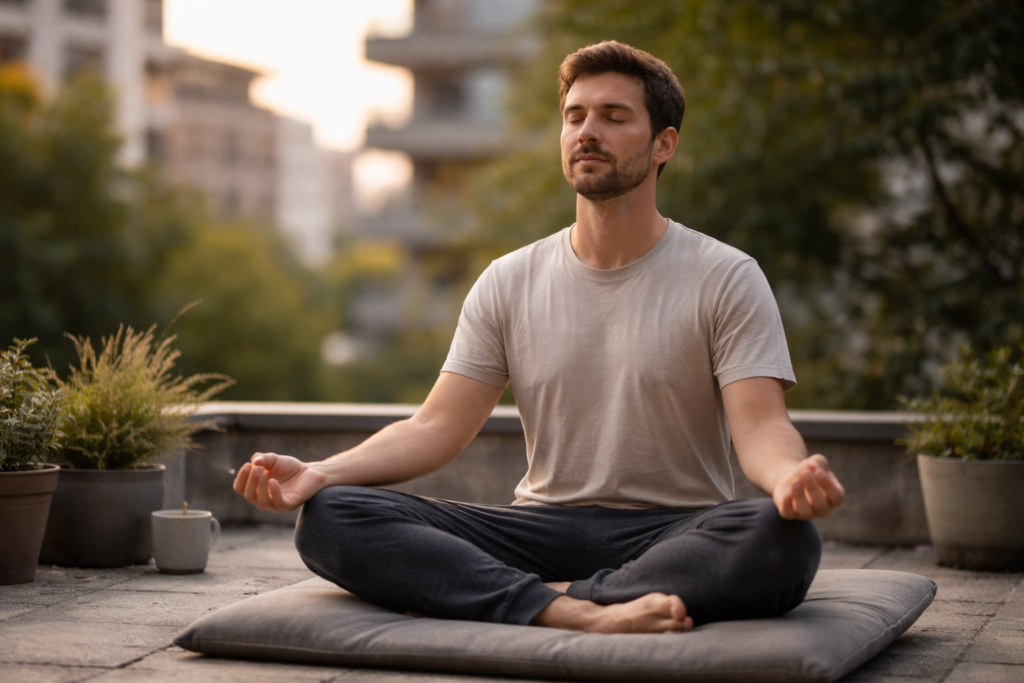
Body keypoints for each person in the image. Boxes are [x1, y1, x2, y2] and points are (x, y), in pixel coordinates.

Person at [233, 40, 845, 635]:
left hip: (672, 531)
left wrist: (790, 478)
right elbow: (435, 427)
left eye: (613, 116)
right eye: (575, 116)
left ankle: (526, 598)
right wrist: (320, 471)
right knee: (332, 515)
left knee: (781, 536)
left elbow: (761, 427)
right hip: (538, 530)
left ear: (664, 143)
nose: (587, 132)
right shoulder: (509, 279)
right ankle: (578, 609)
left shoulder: (725, 275)